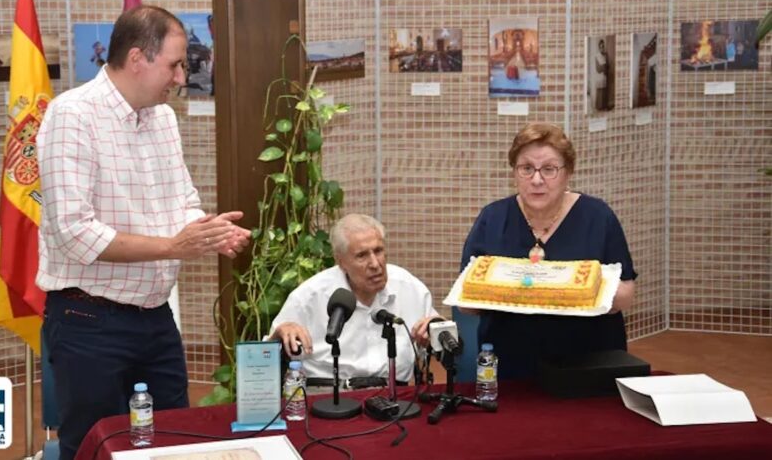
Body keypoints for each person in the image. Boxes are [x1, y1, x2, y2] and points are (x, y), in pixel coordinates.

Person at [37, 5, 250, 460]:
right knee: (95, 447)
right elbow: (75, 233)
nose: (179, 77)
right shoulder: (72, 116)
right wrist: (174, 245)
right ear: (138, 59)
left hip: (155, 319)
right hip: (87, 322)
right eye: (174, 64)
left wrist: (207, 231)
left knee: (175, 443)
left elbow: (181, 201)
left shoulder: (163, 119)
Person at [460, 123, 636, 380]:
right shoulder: (493, 218)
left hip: (590, 362)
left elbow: (625, 296)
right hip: (511, 365)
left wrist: (573, 291)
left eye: (549, 169)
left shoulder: (598, 217)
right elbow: (466, 301)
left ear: (568, 173)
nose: (537, 179)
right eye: (526, 168)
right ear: (514, 172)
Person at [269, 214, 440, 388]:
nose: (375, 264)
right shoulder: (310, 296)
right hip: (327, 396)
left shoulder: (410, 288)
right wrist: (279, 335)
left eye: (378, 251)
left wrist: (436, 328)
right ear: (341, 262)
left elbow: (443, 337)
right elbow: (265, 355)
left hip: (394, 397)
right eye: (362, 255)